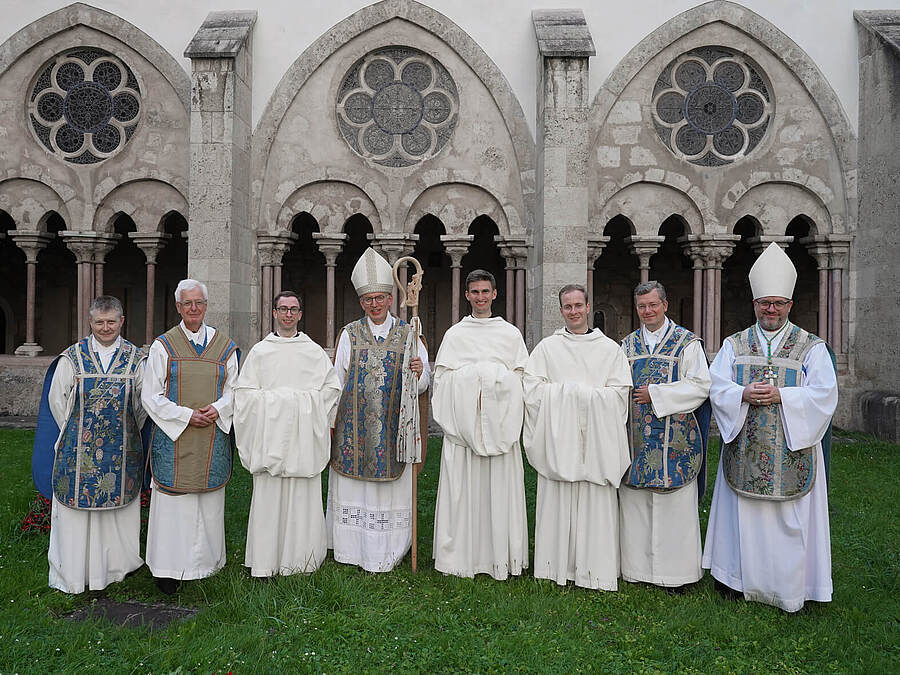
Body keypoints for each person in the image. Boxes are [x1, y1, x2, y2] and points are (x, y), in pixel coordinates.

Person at [703, 242, 837, 612]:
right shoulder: (735, 344)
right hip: (744, 448)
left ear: (789, 306)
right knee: (743, 515)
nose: (771, 309)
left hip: (790, 452)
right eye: (765, 303)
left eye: (778, 303)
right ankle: (737, 580)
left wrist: (784, 397)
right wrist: (742, 392)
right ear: (755, 305)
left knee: (789, 519)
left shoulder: (811, 347)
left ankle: (790, 588)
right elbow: (716, 386)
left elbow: (825, 395)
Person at [523, 284, 632, 590]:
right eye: (567, 307)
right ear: (561, 311)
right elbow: (531, 390)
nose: (573, 311)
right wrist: (570, 396)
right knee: (557, 501)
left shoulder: (609, 349)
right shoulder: (547, 349)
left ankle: (595, 571)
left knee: (595, 505)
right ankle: (553, 567)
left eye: (577, 306)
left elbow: (620, 396)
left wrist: (581, 398)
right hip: (558, 444)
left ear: (588, 307)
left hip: (596, 446)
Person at [35, 295, 146, 593]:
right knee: (76, 515)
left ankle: (114, 570)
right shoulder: (72, 357)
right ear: (90, 322)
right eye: (100, 322)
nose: (106, 328)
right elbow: (57, 400)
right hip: (77, 450)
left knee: (116, 513)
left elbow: (141, 405)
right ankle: (74, 572)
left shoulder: (136, 359)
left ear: (122, 321)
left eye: (111, 322)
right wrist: (75, 432)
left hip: (121, 450)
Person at [327, 248, 429, 572]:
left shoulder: (409, 333)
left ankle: (390, 552)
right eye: (368, 299)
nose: (374, 304)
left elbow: (425, 382)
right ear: (361, 302)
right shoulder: (349, 334)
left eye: (380, 298)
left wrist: (417, 370)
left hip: (393, 427)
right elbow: (337, 380)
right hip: (353, 431)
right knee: (358, 492)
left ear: (389, 298)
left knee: (388, 494)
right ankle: (352, 551)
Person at [233, 291, 341, 577]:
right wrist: (282, 404)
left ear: (300, 314)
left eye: (293, 309)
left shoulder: (313, 352)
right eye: (283, 309)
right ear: (274, 313)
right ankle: (265, 562)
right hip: (270, 442)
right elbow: (244, 395)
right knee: (269, 501)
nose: (288, 314)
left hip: (303, 442)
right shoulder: (260, 352)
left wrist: (300, 406)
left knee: (302, 501)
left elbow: (331, 390)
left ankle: (301, 561)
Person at [142, 279, 239, 593]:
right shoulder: (163, 346)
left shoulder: (225, 347)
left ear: (206, 306)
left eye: (198, 303)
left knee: (207, 505)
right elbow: (151, 395)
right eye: (187, 304)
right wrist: (185, 416)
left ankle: (205, 564)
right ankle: (168, 569)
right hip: (175, 439)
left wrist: (218, 408)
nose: (193, 309)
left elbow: (236, 391)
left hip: (212, 434)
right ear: (178, 307)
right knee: (174, 508)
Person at [431, 270, 529, 579]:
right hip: (463, 433)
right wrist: (480, 378)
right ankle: (461, 558)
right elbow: (443, 381)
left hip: (500, 427)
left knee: (499, 495)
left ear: (495, 294)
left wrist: (490, 378)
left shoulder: (510, 334)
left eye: (485, 291)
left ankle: (500, 557)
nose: (481, 297)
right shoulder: (455, 335)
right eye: (475, 292)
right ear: (467, 295)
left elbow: (522, 381)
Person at [619, 281, 711, 591]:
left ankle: (677, 575)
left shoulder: (686, 344)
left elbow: (701, 385)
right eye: (642, 306)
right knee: (636, 504)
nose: (647, 311)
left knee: (675, 509)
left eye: (653, 305)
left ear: (665, 305)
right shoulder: (626, 346)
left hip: (676, 442)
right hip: (637, 440)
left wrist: (656, 395)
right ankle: (636, 570)